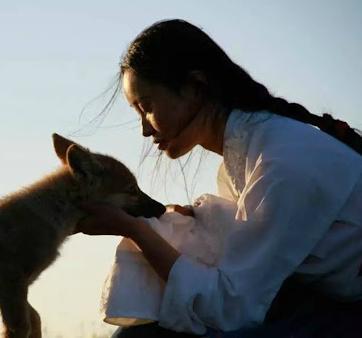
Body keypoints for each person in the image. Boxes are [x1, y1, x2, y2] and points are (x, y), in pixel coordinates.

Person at [76, 19, 362, 338]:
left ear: (196, 87)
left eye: (147, 107)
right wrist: (195, 221)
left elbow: (230, 306)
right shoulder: (239, 163)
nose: (145, 129)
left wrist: (135, 229)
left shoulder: (281, 161)